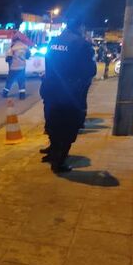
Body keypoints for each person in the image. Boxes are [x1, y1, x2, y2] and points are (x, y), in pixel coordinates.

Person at [40, 19, 96, 173]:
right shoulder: (82, 45)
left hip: (50, 90)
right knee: (68, 128)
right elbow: (90, 71)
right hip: (69, 94)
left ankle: (52, 153)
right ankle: (58, 162)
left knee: (52, 123)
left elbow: (48, 65)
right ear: (80, 26)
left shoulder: (53, 41)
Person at [1, 35, 30, 100]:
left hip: (14, 68)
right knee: (21, 81)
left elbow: (8, 58)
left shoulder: (12, 47)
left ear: (14, 40)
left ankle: (4, 93)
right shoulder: (25, 46)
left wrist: (9, 62)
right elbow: (28, 56)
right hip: (22, 67)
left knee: (10, 81)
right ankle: (22, 96)